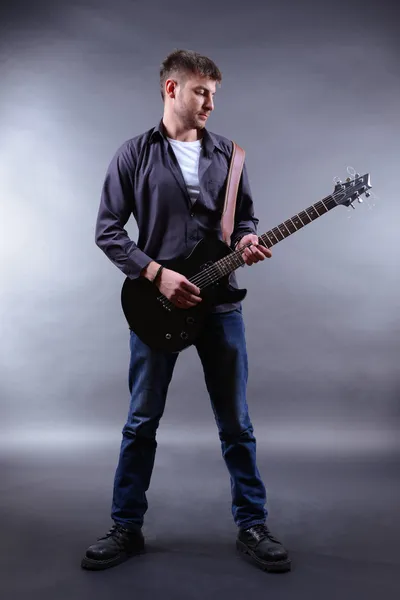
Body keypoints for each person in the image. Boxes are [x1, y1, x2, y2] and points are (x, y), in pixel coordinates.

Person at [81, 49, 291, 573]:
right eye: (201, 92)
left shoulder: (231, 155)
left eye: (215, 94)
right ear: (171, 89)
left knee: (237, 424)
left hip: (221, 307)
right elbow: (108, 231)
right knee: (141, 422)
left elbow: (244, 220)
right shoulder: (134, 155)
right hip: (157, 306)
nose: (210, 104)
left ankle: (253, 525)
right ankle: (126, 527)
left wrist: (248, 240)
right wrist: (156, 273)